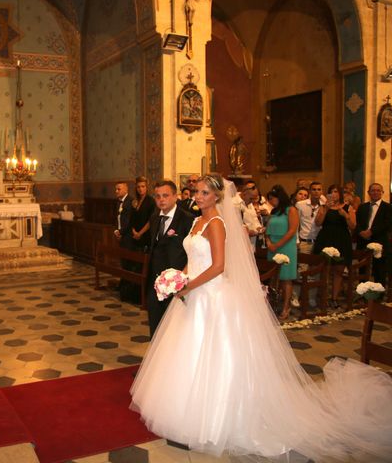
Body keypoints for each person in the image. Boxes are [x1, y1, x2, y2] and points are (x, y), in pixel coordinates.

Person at [130, 174, 392, 461]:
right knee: (186, 355)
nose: (198, 196)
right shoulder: (196, 221)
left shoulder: (217, 224)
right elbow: (191, 258)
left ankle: (212, 420)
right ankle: (181, 412)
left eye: (204, 192)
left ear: (217, 197)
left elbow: (219, 266)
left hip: (210, 295)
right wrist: (181, 278)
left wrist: (187, 285)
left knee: (215, 356)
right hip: (191, 293)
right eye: (197, 191)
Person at [145, 180, 194, 336]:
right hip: (155, 282)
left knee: (174, 329)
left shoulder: (187, 219)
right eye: (158, 196)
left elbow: (191, 252)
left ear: (175, 196)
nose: (161, 200)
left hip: (176, 283)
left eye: (165, 195)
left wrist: (183, 279)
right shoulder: (154, 218)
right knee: (155, 324)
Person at [265, 185, 299, 320]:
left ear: (279, 198)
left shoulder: (291, 210)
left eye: (272, 199)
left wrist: (277, 245)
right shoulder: (274, 212)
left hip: (286, 246)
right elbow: (267, 229)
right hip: (272, 245)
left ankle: (286, 306)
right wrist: (268, 242)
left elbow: (292, 230)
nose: (271, 202)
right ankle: (273, 305)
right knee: (273, 277)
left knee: (286, 279)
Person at [355, 183, 392, 284]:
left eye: (378, 190)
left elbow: (387, 223)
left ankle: (378, 296)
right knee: (362, 269)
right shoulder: (362, 207)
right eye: (373, 190)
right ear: (368, 193)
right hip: (363, 241)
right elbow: (356, 223)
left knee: (379, 270)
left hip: (380, 241)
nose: (375, 192)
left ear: (382, 192)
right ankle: (362, 294)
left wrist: (371, 232)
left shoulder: (388, 207)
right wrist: (361, 232)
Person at [114, 181, 134, 301]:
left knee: (127, 262)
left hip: (128, 237)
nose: (116, 191)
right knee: (123, 261)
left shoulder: (130, 202)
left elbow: (129, 221)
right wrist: (117, 230)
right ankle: (123, 284)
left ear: (126, 189)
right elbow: (118, 218)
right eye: (116, 189)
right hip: (121, 235)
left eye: (119, 189)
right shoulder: (119, 203)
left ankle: (127, 287)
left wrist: (121, 232)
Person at [129, 176, 156, 251]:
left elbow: (151, 220)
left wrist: (139, 233)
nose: (140, 189)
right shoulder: (135, 201)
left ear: (147, 187)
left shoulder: (151, 201)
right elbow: (131, 219)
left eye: (143, 186)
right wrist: (133, 231)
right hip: (134, 235)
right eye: (138, 187)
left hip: (145, 235)